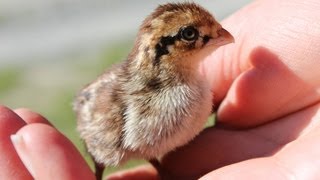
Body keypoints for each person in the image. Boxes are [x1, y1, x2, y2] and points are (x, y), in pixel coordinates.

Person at [1, 0, 320, 179]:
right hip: (112, 120)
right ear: (161, 50)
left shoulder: (196, 89)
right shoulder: (123, 102)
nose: (220, 36)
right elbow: (95, 118)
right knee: (108, 150)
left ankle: (162, 169)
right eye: (193, 35)